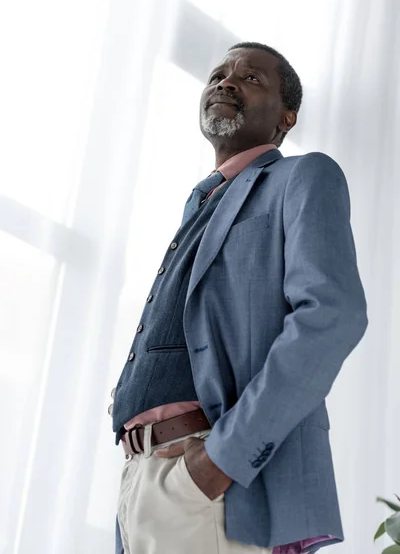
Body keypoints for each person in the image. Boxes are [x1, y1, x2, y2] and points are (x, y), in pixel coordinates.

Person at [109, 41, 368, 554]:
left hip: (215, 484)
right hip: (139, 479)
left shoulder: (303, 176)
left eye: (250, 78)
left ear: (286, 117)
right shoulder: (199, 202)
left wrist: (221, 461)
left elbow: (332, 315)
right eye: (218, 74)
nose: (225, 82)